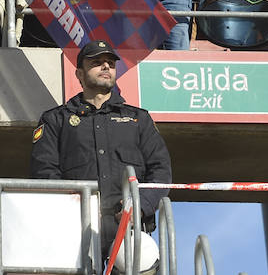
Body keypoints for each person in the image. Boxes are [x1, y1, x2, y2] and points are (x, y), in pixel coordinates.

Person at [29, 40, 171, 250]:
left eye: (110, 64)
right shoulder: (55, 119)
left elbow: (161, 171)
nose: (106, 67)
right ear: (79, 74)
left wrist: (140, 205)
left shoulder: (138, 119)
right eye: (97, 62)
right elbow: (44, 171)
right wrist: (72, 206)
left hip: (130, 229)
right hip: (75, 229)